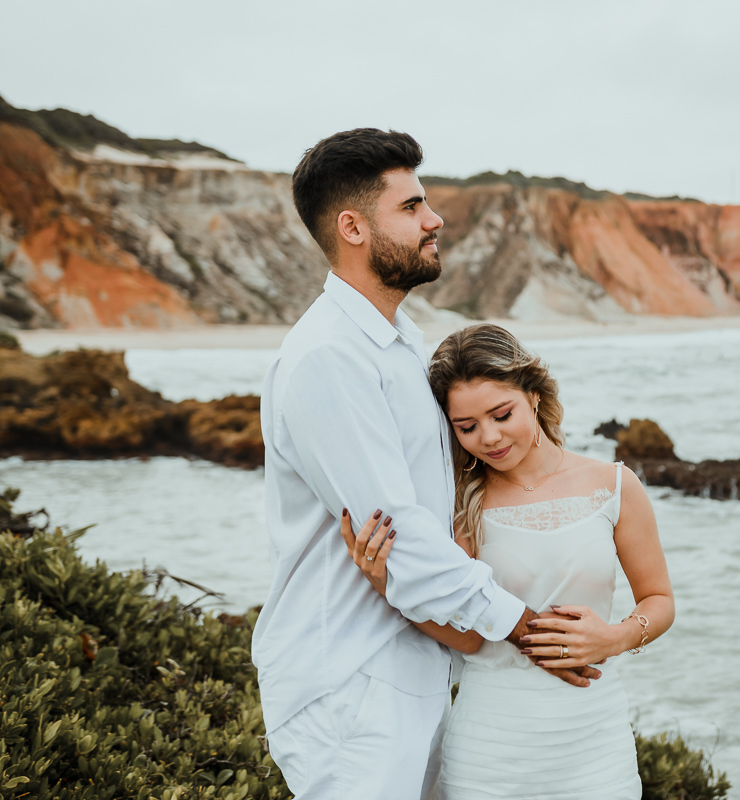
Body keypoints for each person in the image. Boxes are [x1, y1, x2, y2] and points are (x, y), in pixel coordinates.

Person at [252, 129, 597, 800]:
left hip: (418, 664)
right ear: (353, 227)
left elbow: (452, 497)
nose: (433, 219)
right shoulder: (329, 358)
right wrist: (528, 629)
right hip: (349, 682)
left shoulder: (403, 347)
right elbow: (400, 537)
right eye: (410, 208)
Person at [343, 323, 675, 799]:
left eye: (502, 414)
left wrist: (616, 636)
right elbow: (473, 638)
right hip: (492, 747)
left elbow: (659, 599)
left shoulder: (616, 485)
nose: (490, 437)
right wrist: (389, 588)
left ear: (534, 395)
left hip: (595, 742)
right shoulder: (458, 502)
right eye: (467, 427)